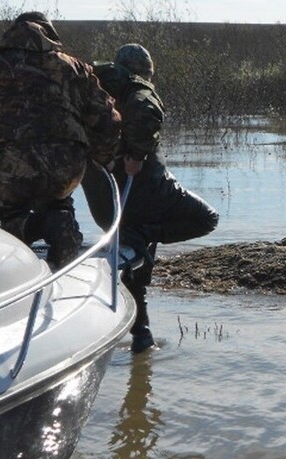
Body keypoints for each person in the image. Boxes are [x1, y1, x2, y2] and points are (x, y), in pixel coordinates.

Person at [82, 44, 219, 354]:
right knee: (206, 218)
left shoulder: (91, 88)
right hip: (145, 193)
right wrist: (138, 154)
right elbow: (146, 113)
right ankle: (143, 237)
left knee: (135, 267)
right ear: (143, 71)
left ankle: (141, 338)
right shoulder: (138, 91)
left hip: (106, 203)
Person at [0, 12, 121, 269]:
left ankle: (28, 240)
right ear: (50, 35)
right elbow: (107, 119)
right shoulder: (75, 67)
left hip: (13, 165)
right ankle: (60, 232)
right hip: (67, 164)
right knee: (58, 200)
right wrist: (103, 157)